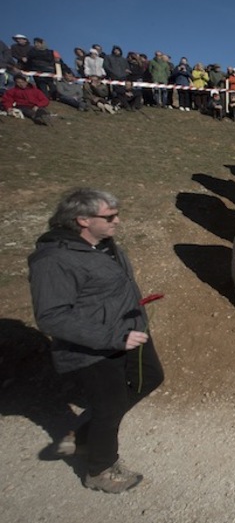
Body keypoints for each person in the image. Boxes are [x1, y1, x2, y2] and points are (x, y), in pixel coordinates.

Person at [28, 188, 164, 493]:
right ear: (83, 220)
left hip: (129, 332)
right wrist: (114, 336)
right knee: (110, 405)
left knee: (150, 377)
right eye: (110, 216)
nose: (118, 221)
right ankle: (100, 470)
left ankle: (85, 436)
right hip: (92, 348)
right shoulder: (53, 261)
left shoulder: (103, 244)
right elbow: (52, 317)